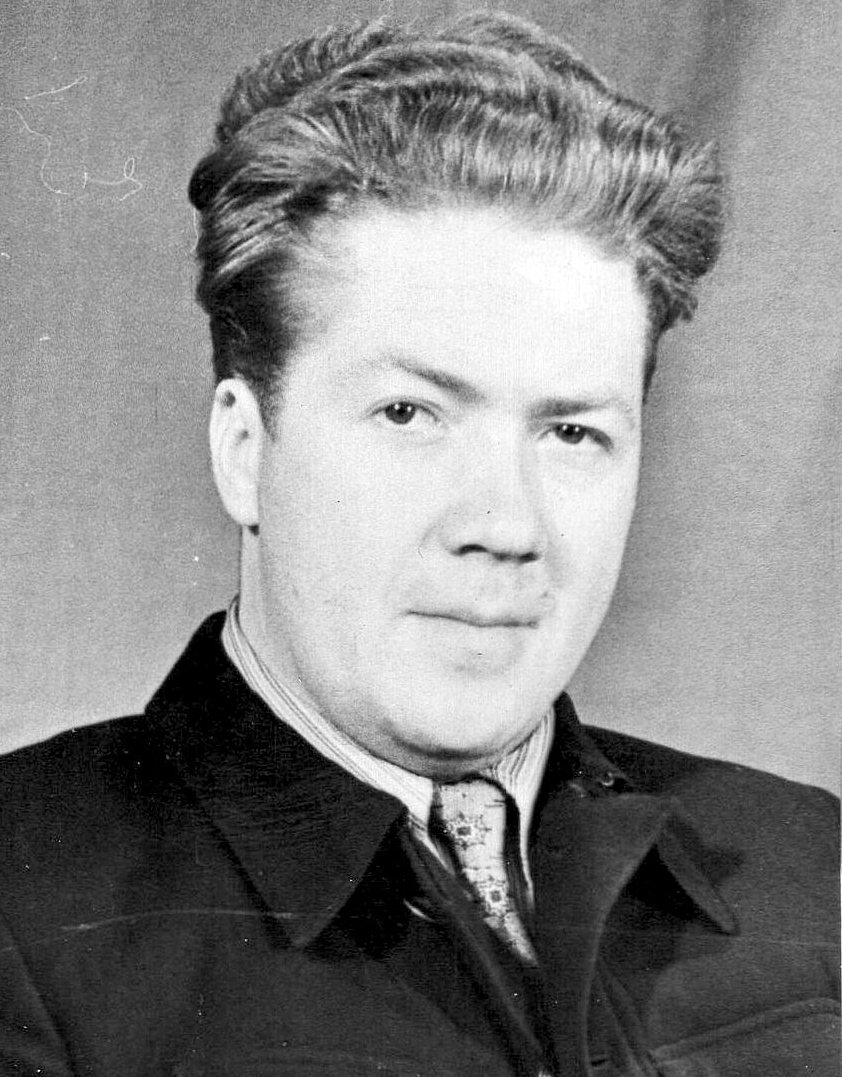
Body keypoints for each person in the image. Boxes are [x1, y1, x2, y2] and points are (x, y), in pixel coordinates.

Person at [0, 12, 837, 1076]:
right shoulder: (22, 914)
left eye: (571, 433)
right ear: (244, 451)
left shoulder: (810, 863)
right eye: (409, 415)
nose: (505, 526)